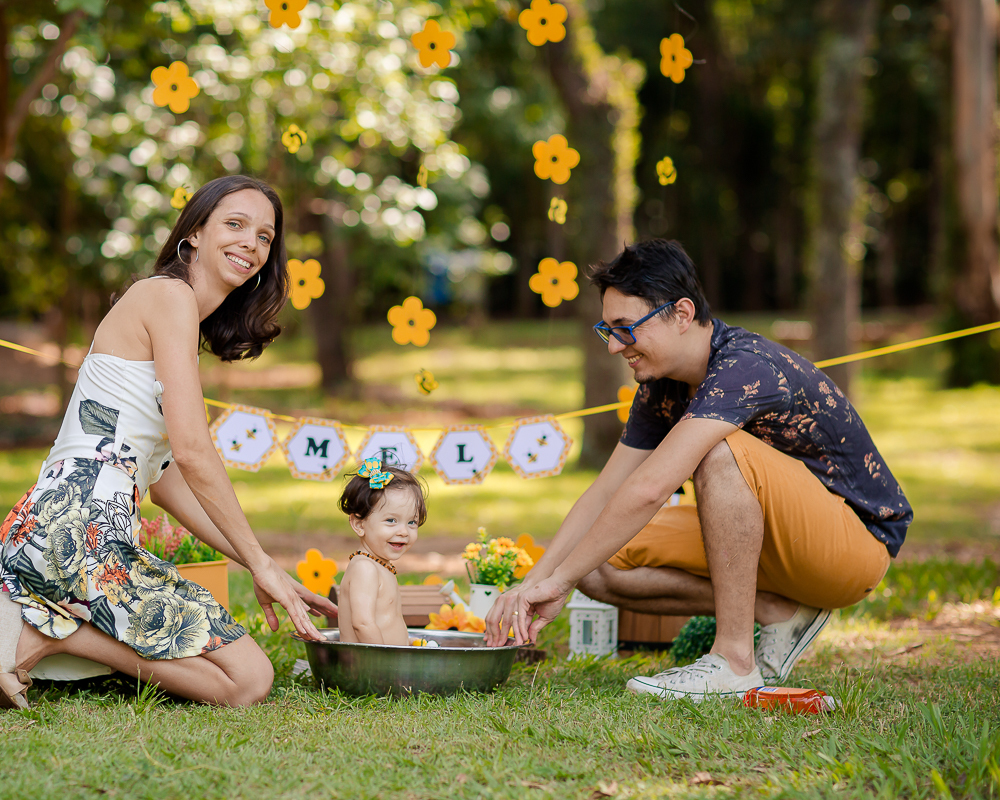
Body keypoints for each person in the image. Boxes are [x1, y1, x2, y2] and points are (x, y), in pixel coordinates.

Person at [485, 239, 912, 700]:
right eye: (606, 330)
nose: (614, 346)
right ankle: (777, 611)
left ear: (682, 314)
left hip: (852, 547)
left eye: (626, 328)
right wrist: (535, 586)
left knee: (717, 449)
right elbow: (606, 491)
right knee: (596, 563)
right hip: (774, 542)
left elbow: (650, 488)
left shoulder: (744, 368)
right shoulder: (661, 382)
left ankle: (733, 662)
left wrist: (558, 581)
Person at [0, 175, 337, 710]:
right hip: (82, 530)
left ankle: (31, 622)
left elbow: (164, 480)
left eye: (265, 236)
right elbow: (192, 451)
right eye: (234, 224)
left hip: (51, 526)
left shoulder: (174, 314)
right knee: (248, 681)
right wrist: (259, 562)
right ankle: (40, 633)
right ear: (193, 234)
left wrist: (259, 562)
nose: (252, 244)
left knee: (237, 676)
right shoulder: (168, 297)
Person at [336, 459, 427, 646]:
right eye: (391, 520)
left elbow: (386, 620)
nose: (403, 531)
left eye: (412, 522)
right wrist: (382, 661)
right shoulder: (364, 568)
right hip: (370, 667)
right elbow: (362, 624)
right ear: (359, 524)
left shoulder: (379, 564)